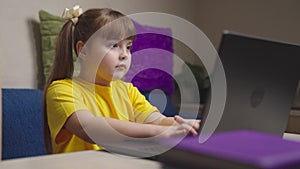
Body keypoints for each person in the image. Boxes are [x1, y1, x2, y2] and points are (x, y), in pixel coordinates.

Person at [44, 6, 200, 154]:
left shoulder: (128, 90)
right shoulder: (60, 90)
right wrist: (160, 133)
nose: (125, 54)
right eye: (114, 45)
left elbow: (157, 120)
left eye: (129, 47)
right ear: (83, 50)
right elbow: (89, 126)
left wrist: (185, 126)